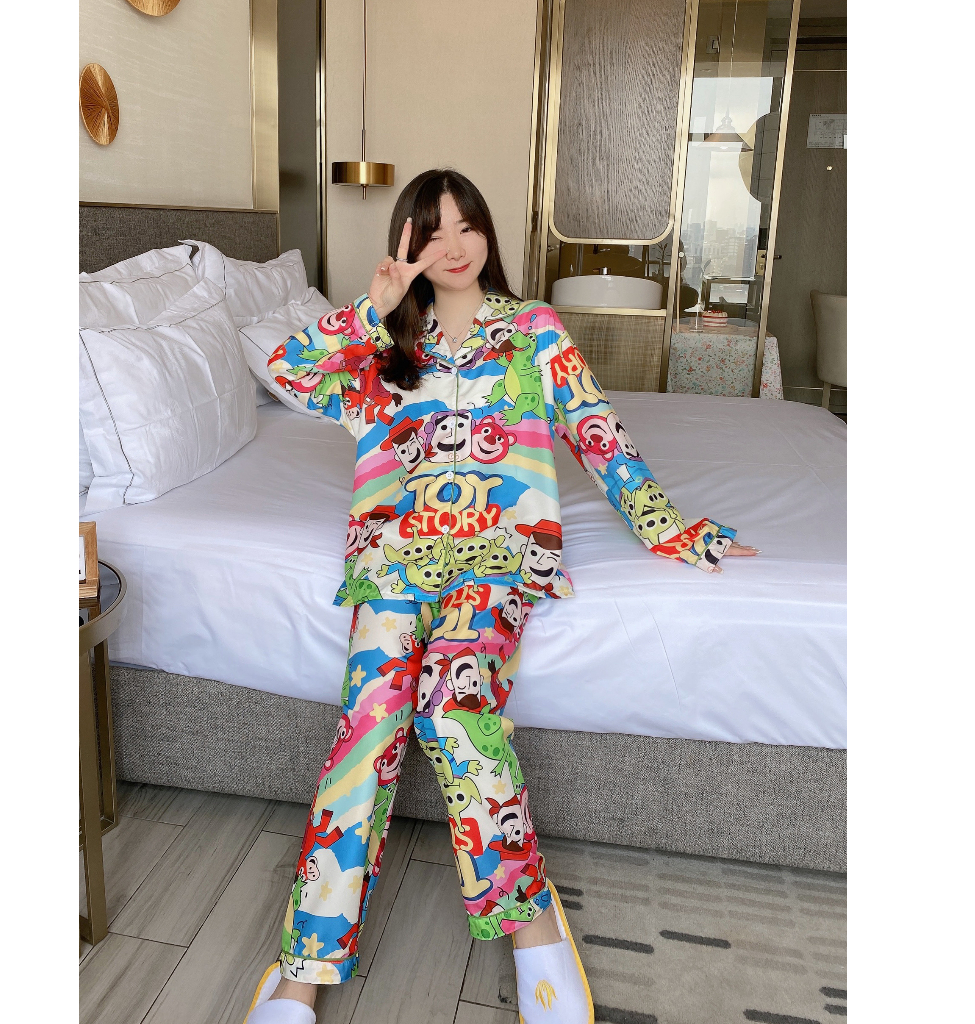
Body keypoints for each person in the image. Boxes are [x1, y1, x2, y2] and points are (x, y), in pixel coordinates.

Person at [243, 169, 758, 1024]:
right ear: (407, 245)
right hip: (393, 561)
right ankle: (304, 967)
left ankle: (531, 921)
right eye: (432, 232)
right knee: (366, 727)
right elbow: (285, 372)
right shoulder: (381, 351)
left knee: (451, 708)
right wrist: (372, 308)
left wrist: (671, 529)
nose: (454, 245)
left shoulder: (532, 331)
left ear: (488, 231)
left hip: (496, 559)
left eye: (468, 225)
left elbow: (598, 434)